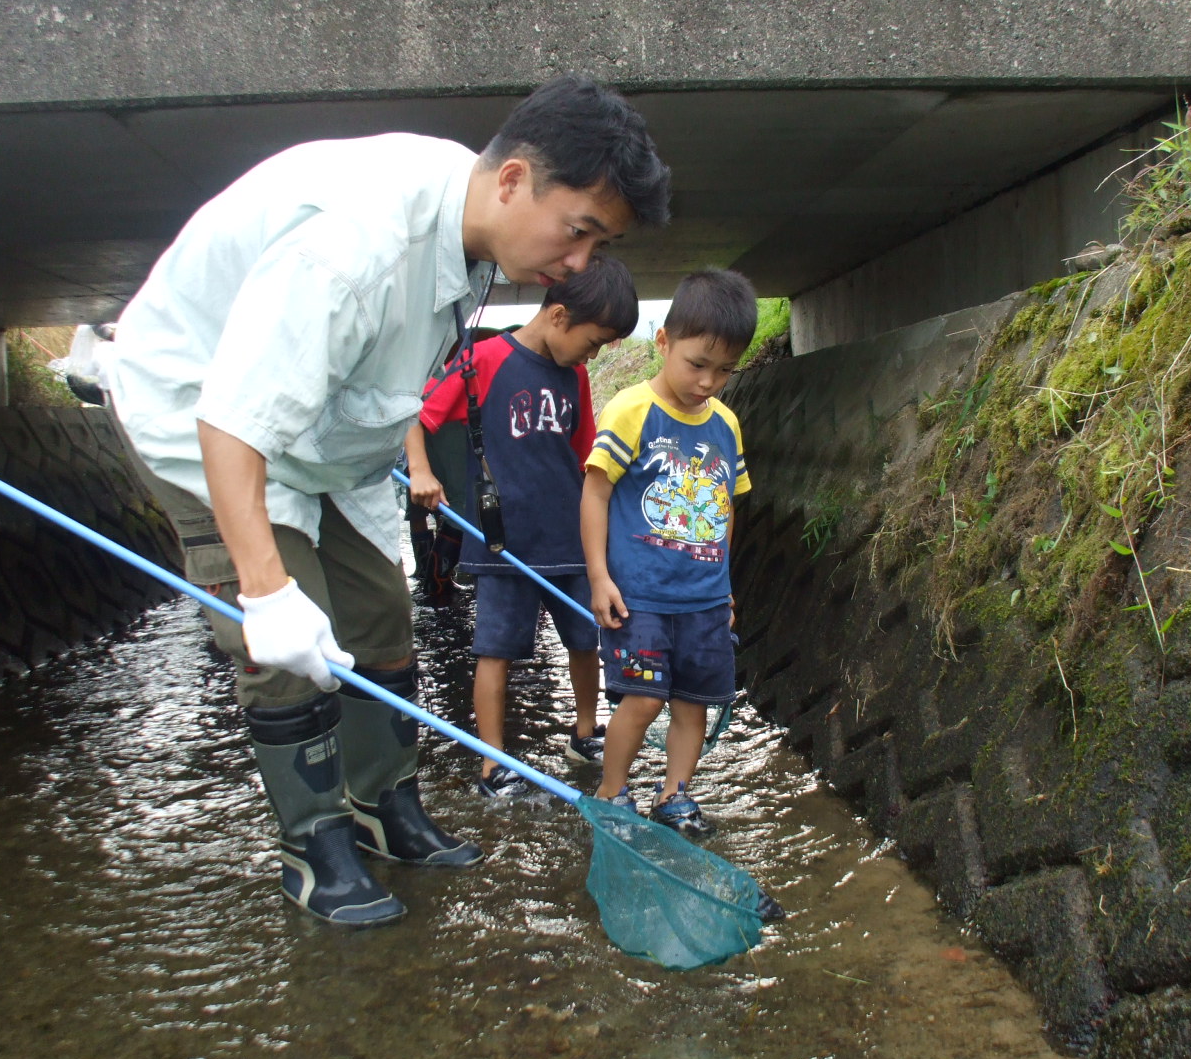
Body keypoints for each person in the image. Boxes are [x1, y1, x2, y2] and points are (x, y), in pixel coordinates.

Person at [105, 76, 670, 926]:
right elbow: (232, 419)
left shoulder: (468, 213)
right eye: (580, 232)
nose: (580, 263)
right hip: (207, 417)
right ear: (515, 180)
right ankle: (315, 843)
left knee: (377, 623)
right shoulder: (356, 246)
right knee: (287, 649)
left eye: (600, 244)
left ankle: (383, 806)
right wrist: (263, 592)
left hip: (330, 437)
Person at [405, 257, 638, 796]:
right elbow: (418, 419)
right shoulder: (482, 360)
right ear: (559, 316)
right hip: (501, 543)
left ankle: (586, 732)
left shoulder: (574, 375)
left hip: (570, 539)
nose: (594, 354)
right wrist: (421, 470)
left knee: (586, 639)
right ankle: (492, 763)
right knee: (495, 651)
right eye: (594, 341)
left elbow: (587, 458)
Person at [580, 269, 757, 836]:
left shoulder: (727, 425)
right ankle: (611, 791)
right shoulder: (631, 411)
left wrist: (725, 588)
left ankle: (674, 793)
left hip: (704, 599)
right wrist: (599, 578)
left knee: (693, 702)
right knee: (642, 700)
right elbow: (596, 492)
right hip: (640, 598)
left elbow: (726, 511)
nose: (709, 381)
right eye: (697, 364)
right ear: (663, 341)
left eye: (725, 370)